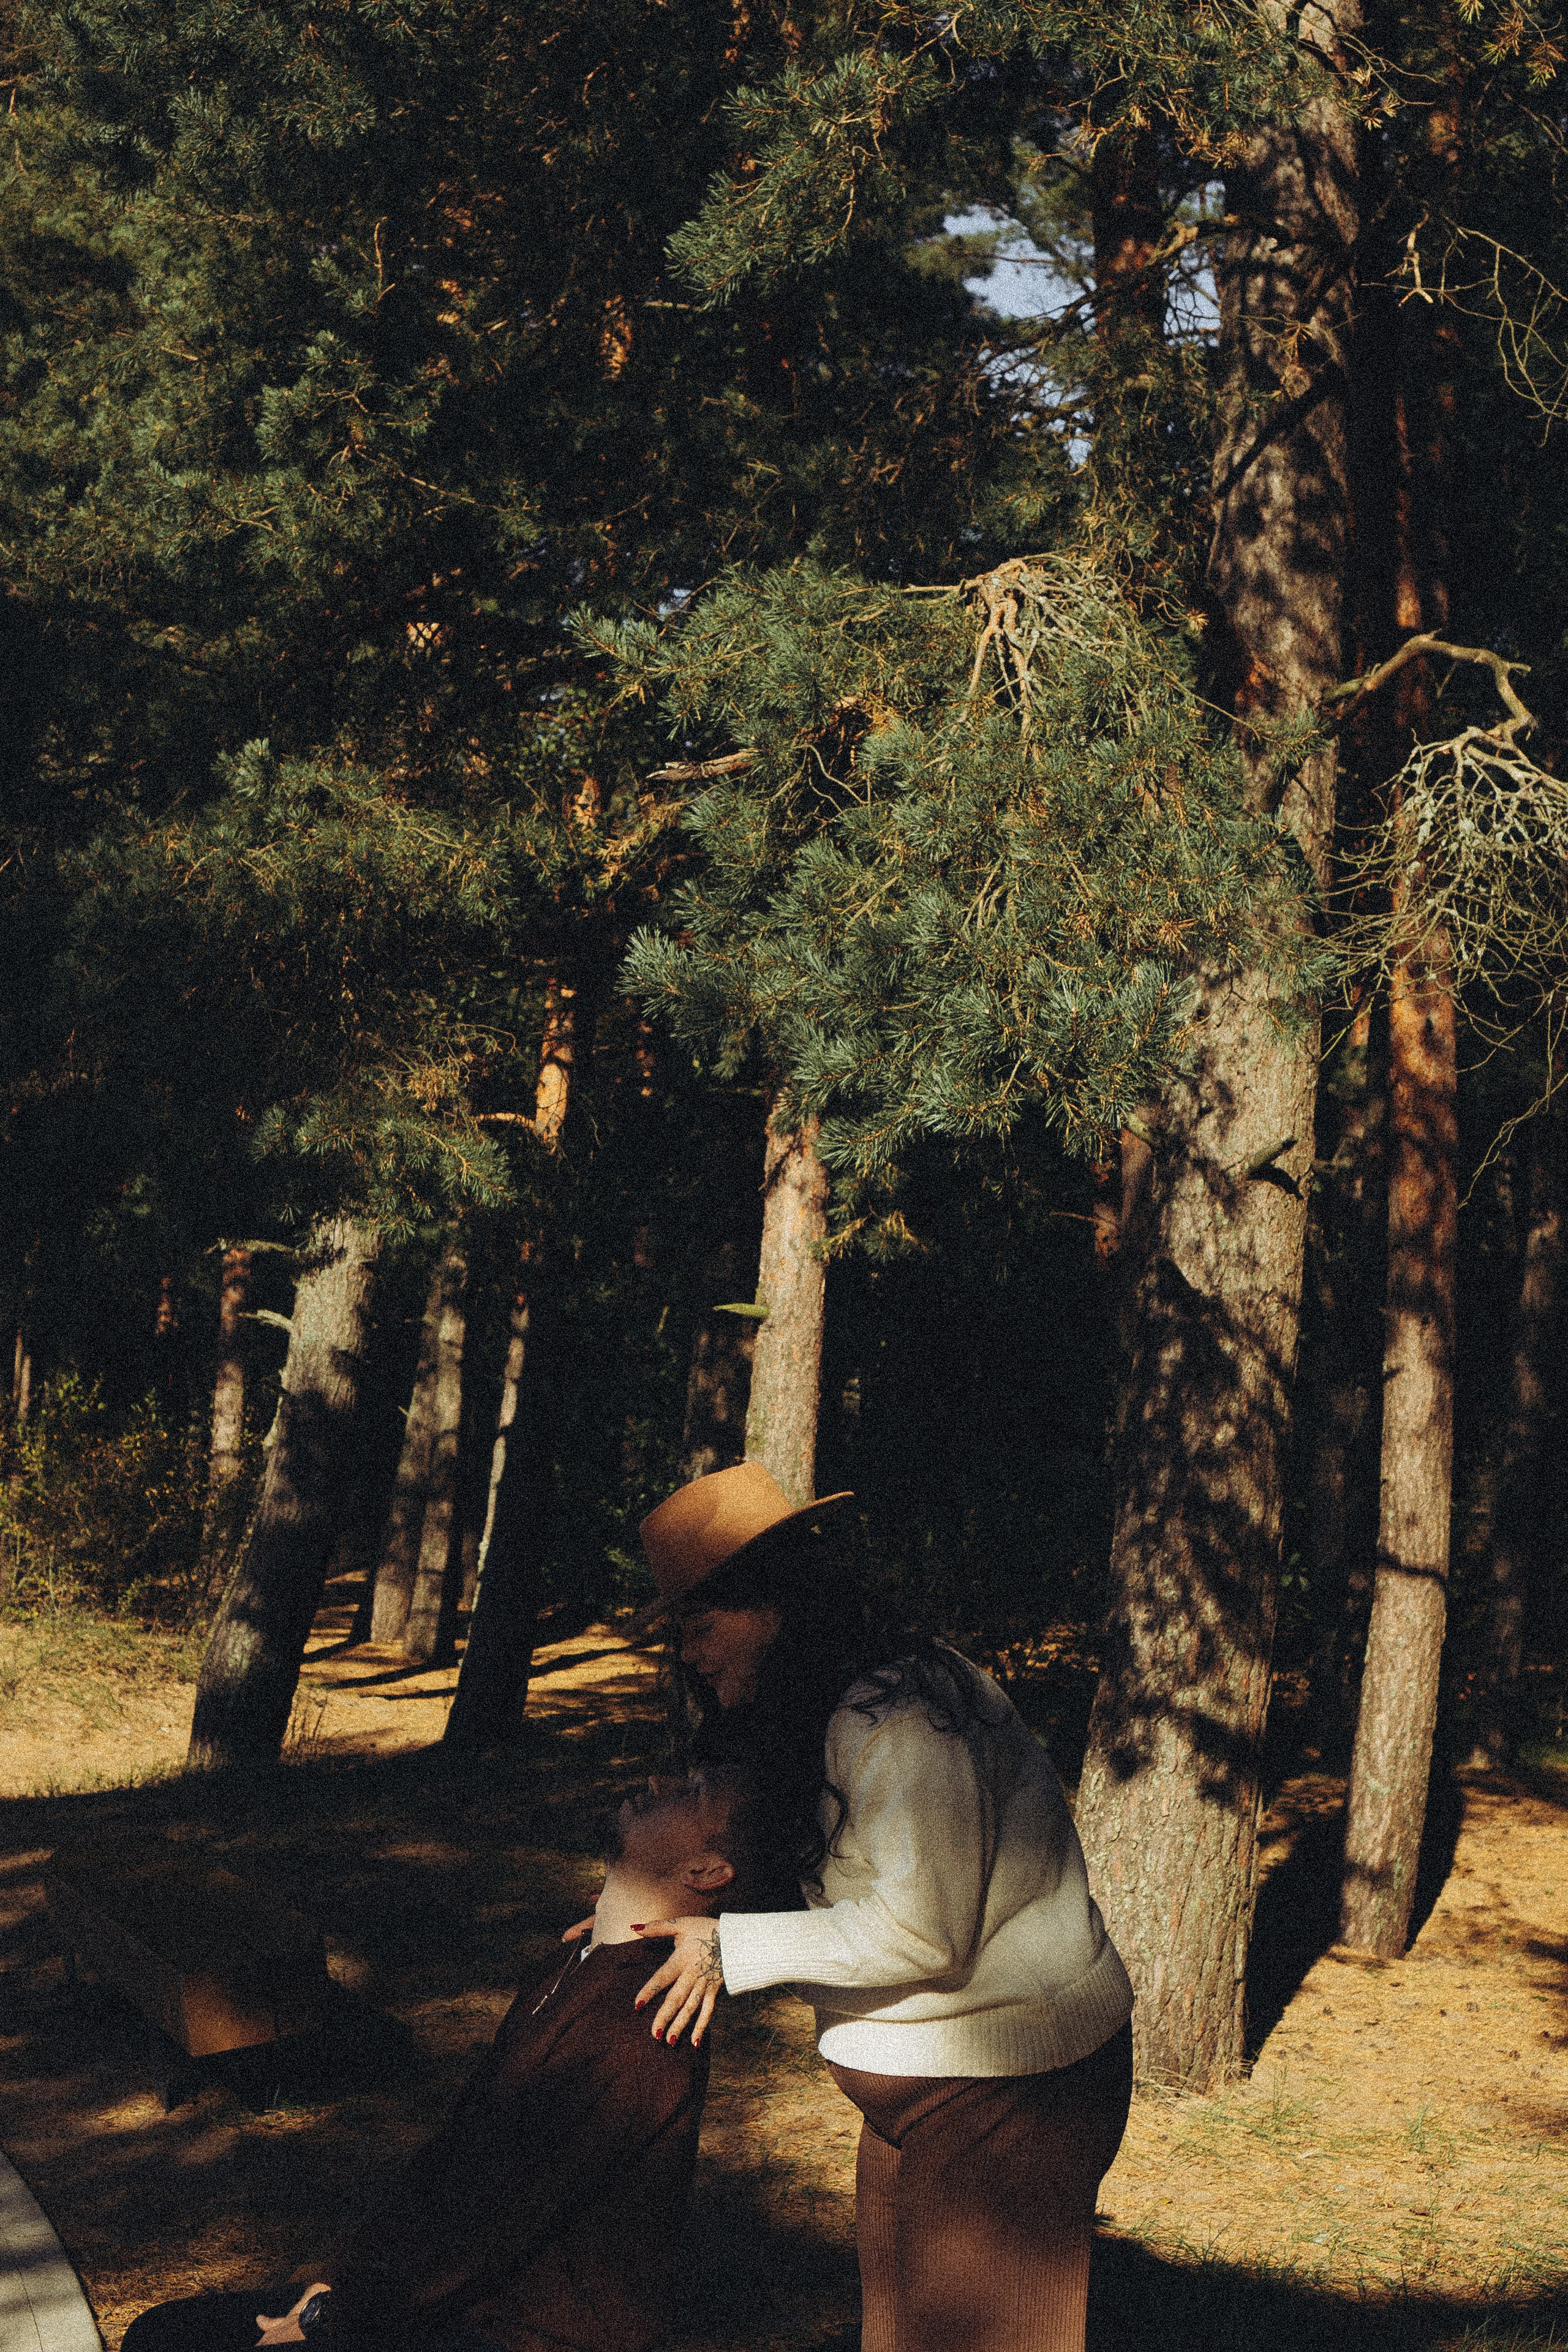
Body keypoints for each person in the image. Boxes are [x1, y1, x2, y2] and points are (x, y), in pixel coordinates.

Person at [627, 1460, 1136, 2352]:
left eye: (701, 1627)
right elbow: (848, 1874)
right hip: (933, 2092)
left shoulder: (899, 1718)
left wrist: (727, 1952)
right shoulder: (824, 1704)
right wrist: (646, 1915)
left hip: (1013, 2090)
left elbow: (919, 1929)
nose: (690, 1655)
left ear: (775, 1608)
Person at [121, 1769, 764, 2352]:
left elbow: (496, 2215)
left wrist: (333, 2316)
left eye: (692, 1794)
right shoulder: (576, 1964)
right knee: (166, 2334)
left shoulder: (644, 2019)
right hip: (454, 2296)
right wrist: (338, 2276)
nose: (658, 1782)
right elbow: (457, 2158)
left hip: (520, 2330)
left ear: (705, 1873)